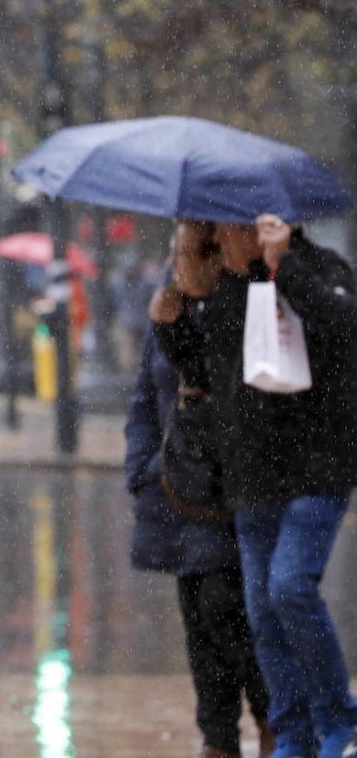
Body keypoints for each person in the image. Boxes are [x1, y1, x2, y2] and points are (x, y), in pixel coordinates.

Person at [152, 214, 357, 758]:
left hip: (316, 470)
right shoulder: (231, 291)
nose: (219, 242)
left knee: (290, 587)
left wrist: (282, 267)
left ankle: (340, 719)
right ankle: (294, 733)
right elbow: (209, 372)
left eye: (227, 230)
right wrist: (171, 327)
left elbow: (342, 326)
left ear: (260, 228)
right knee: (263, 610)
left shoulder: (319, 269)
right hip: (254, 477)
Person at [127, 221, 272, 758]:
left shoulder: (240, 304)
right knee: (196, 615)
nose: (175, 261)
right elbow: (145, 397)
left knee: (222, 604)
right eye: (172, 250)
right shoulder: (167, 306)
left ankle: (267, 712)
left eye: (184, 251)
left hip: (226, 488)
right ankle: (218, 736)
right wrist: (140, 465)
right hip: (174, 484)